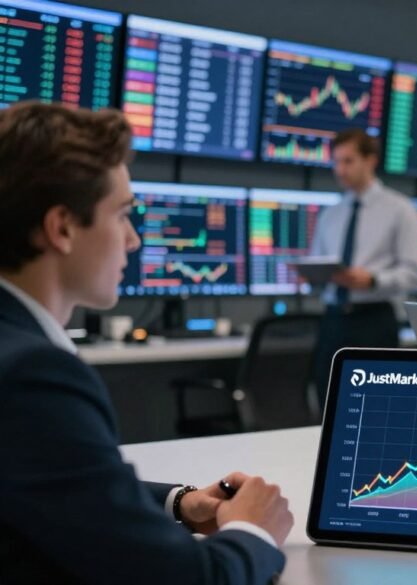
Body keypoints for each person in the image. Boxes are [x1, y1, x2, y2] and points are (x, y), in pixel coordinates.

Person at [0, 102, 293, 584]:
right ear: (62, 227)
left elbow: (55, 479)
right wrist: (255, 531)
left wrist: (179, 502)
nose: (133, 240)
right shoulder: (33, 375)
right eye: (121, 215)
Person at [310, 128, 417, 404]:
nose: (340, 170)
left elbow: (414, 272)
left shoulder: (400, 209)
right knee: (328, 402)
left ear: (370, 160)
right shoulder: (331, 213)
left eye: (348, 161)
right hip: (333, 320)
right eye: (336, 162)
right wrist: (311, 274)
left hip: (374, 321)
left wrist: (373, 280)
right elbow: (318, 262)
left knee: (374, 407)